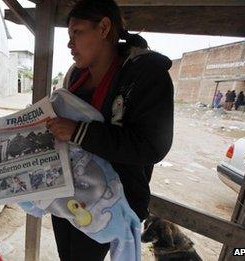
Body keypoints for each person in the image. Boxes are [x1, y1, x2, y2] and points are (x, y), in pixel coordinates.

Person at [46, 0, 174, 260]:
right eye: (69, 36)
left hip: (112, 200)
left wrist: (79, 132)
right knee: (66, 255)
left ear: (104, 28)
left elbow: (152, 146)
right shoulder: (74, 77)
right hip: (68, 189)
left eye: (77, 33)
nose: (70, 44)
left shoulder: (146, 76)